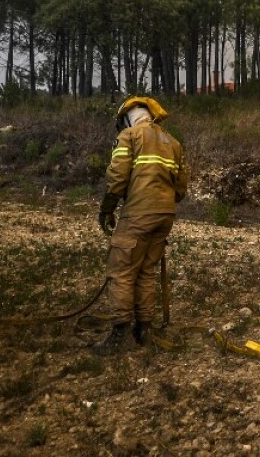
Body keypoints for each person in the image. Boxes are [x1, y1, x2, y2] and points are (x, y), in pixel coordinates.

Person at [94, 95, 189, 354]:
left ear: (127, 118)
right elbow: (181, 188)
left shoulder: (130, 137)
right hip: (165, 215)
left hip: (138, 214)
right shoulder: (174, 143)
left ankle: (120, 334)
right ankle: (144, 329)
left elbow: (117, 178)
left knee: (122, 271)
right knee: (146, 271)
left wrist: (107, 209)